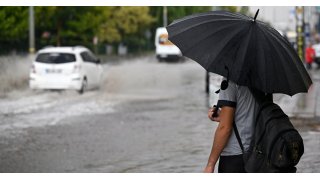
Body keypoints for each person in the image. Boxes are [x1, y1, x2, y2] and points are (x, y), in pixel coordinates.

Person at [203, 79, 259, 173]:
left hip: (235, 157)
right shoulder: (262, 81)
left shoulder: (230, 82)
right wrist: (223, 116)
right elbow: (251, 114)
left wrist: (210, 164)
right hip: (258, 153)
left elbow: (225, 128)